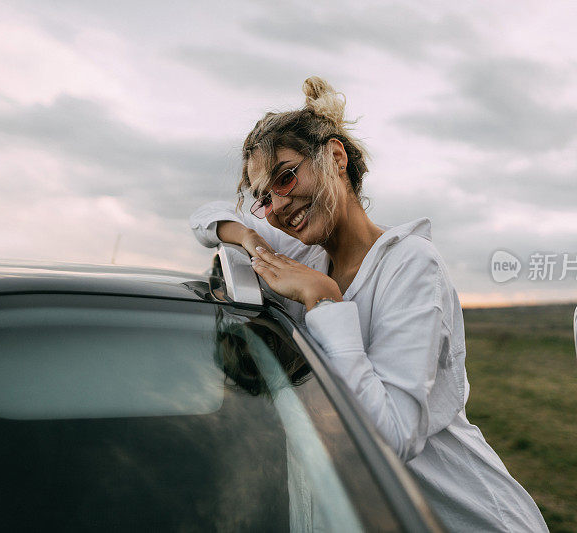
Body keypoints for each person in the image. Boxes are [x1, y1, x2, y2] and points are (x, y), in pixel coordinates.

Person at [190, 77, 549, 532]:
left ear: (336, 157)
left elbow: (389, 438)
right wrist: (247, 235)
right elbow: (203, 216)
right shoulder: (303, 254)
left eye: (285, 177)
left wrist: (324, 301)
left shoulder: (410, 264)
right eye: (264, 199)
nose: (278, 205)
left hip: (463, 518)